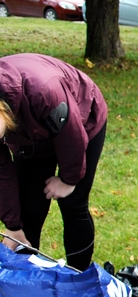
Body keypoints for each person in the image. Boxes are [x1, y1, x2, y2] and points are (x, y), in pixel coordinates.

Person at [0, 54, 107, 271]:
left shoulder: (43, 90)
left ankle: (79, 276)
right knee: (28, 209)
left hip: (80, 120)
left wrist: (68, 180)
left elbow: (72, 135)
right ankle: (26, 279)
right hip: (31, 135)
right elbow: (2, 174)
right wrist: (13, 226)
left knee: (72, 202)